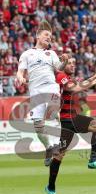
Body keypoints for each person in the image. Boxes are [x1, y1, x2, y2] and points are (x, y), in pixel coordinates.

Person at [45, 57, 96, 194]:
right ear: (63, 65)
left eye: (74, 63)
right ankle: (51, 188)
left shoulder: (68, 77)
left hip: (72, 118)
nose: (73, 65)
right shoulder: (61, 76)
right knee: (60, 156)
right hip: (67, 120)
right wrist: (93, 81)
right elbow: (75, 88)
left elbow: (78, 84)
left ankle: (92, 161)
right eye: (70, 63)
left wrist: (93, 77)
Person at [16, 20, 69, 166]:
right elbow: (20, 72)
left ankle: (58, 143)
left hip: (51, 88)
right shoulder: (27, 54)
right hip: (36, 92)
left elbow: (59, 68)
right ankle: (49, 147)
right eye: (46, 35)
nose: (49, 38)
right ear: (38, 36)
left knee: (52, 112)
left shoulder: (51, 53)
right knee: (38, 127)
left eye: (51, 36)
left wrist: (64, 61)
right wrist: (20, 78)